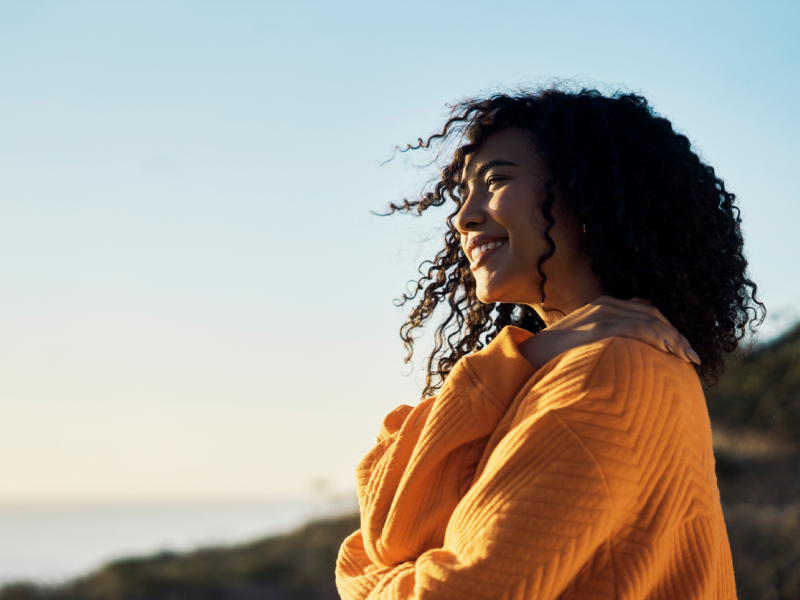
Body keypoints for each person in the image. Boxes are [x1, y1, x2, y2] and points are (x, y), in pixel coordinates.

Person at [335, 87, 763, 599]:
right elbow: (401, 523)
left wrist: (359, 574)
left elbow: (403, 557)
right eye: (462, 195)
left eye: (495, 181)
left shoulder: (609, 375)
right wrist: (533, 353)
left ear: (588, 194)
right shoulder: (564, 368)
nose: (463, 217)